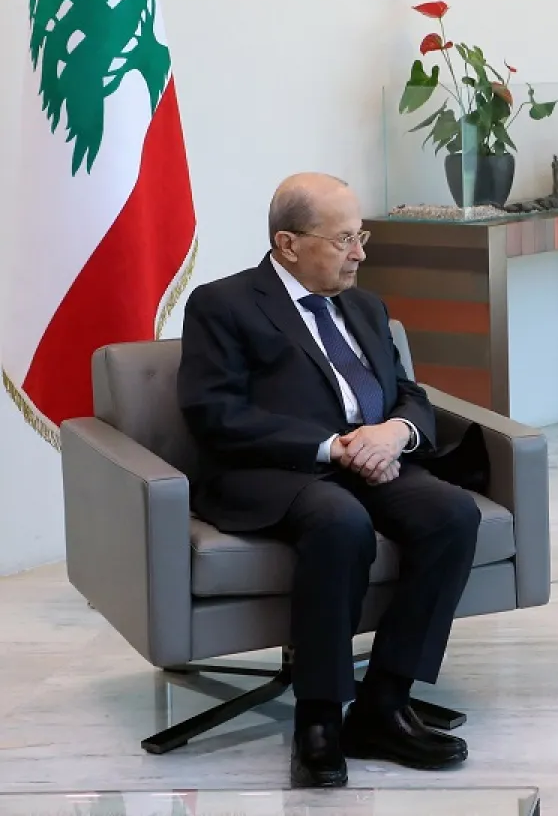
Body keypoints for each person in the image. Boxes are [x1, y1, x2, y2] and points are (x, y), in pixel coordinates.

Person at [177, 173, 481, 789]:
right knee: (339, 522)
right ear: (287, 244)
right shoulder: (224, 304)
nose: (360, 253)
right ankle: (317, 719)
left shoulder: (366, 305)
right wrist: (333, 447)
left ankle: (384, 704)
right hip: (274, 472)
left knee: (452, 514)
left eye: (360, 235)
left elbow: (407, 394)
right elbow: (215, 413)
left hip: (373, 458)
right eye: (344, 239)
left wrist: (396, 432)